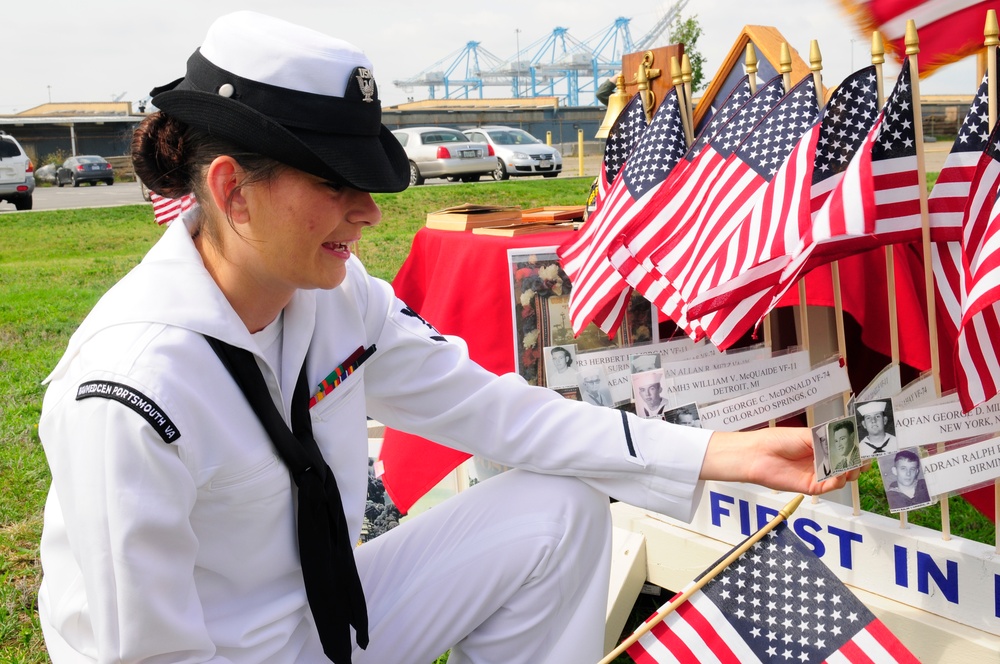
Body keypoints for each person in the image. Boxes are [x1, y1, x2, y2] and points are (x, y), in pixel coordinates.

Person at [36, 11, 856, 664]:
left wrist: (719, 453)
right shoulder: (134, 389)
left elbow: (495, 411)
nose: (368, 212)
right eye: (337, 182)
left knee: (559, 508)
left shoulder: (331, 295)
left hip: (328, 623)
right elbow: (147, 655)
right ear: (232, 192)